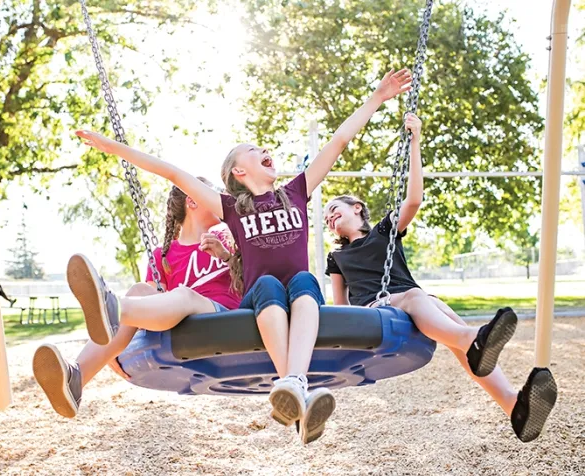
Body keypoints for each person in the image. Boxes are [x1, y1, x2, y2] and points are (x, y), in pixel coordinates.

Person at [75, 68, 412, 444]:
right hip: (258, 299)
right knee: (268, 282)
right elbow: (170, 171)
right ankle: (294, 385)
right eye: (254, 150)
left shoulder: (297, 192)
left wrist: (378, 97)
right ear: (239, 170)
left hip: (299, 296)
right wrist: (112, 147)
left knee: (303, 280)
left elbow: (339, 140)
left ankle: (294, 386)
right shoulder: (232, 207)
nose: (264, 150)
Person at [323, 113, 557, 443]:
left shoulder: (384, 233)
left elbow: (414, 199)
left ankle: (514, 407)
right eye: (326, 218)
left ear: (357, 208)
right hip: (377, 311)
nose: (329, 217)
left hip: (411, 300)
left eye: (335, 209)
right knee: (423, 301)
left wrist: (416, 137)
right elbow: (339, 304)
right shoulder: (337, 257)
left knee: (444, 314)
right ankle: (473, 338)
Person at [33, 180, 240, 418]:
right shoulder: (163, 255)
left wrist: (226, 256)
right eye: (216, 192)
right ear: (193, 200)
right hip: (181, 325)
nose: (225, 197)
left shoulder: (230, 240)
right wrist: (108, 347)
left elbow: (251, 278)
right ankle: (76, 378)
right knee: (140, 290)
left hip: (224, 317)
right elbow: (147, 306)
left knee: (183, 295)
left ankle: (111, 309)